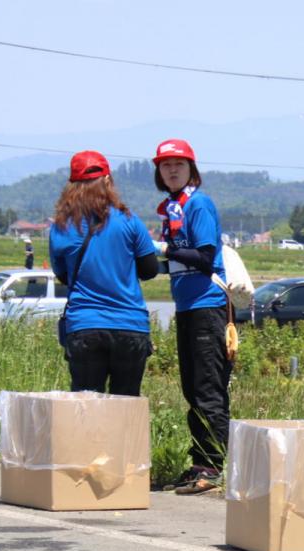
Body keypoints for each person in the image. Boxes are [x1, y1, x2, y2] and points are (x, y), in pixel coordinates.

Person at [153, 138, 232, 495]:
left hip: (206, 305)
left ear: (191, 169)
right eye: (165, 165)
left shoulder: (197, 204)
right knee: (191, 388)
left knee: (208, 389)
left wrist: (168, 249)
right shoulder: (172, 208)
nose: (171, 170)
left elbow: (204, 256)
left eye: (178, 164)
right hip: (186, 306)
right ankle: (199, 460)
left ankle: (213, 466)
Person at [49, 151, 159, 396]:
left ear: (71, 186)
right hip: (130, 325)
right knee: (126, 407)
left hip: (84, 325)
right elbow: (150, 270)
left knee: (86, 409)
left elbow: (64, 276)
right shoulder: (129, 221)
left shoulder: (61, 226)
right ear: (108, 181)